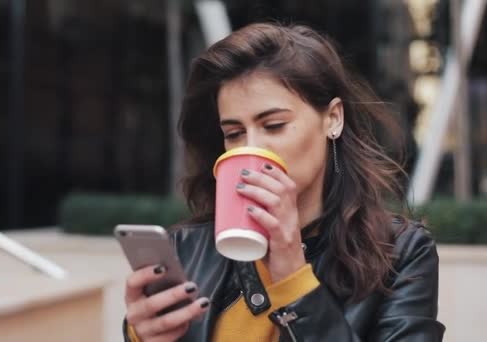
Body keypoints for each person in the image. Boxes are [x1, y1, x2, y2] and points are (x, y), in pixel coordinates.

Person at [122, 23, 445, 341]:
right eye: (234, 134)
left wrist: (293, 279)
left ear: (332, 118)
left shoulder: (399, 253)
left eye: (274, 125)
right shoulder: (187, 250)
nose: (252, 146)